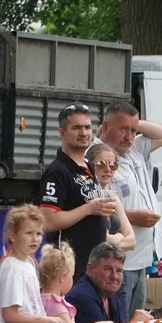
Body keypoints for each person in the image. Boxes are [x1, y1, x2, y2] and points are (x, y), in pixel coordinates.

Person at [101, 102, 162, 323]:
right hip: (119, 257)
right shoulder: (98, 157)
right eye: (123, 129)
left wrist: (131, 123)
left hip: (140, 256)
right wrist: (136, 217)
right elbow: (100, 207)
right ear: (105, 126)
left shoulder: (134, 149)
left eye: (133, 130)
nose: (130, 136)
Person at [40, 104, 118, 282]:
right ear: (62, 133)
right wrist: (89, 209)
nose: (83, 133)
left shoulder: (89, 166)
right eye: (76, 128)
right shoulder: (57, 171)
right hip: (69, 270)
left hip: (93, 268)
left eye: (87, 127)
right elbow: (48, 221)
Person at [88, 143, 136, 251]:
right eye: (101, 164)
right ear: (89, 165)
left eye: (113, 165)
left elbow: (132, 241)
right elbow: (96, 239)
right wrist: (117, 238)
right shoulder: (85, 194)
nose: (108, 169)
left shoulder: (111, 196)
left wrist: (112, 241)